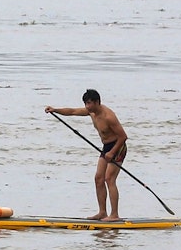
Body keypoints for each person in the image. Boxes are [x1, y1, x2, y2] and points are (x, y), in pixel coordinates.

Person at [46, 90, 128, 221]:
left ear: (97, 102)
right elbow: (72, 111)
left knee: (109, 179)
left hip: (118, 147)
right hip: (106, 147)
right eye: (85, 103)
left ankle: (114, 215)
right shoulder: (91, 112)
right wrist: (55, 110)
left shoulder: (108, 116)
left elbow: (123, 136)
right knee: (98, 178)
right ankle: (102, 212)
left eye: (89, 103)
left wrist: (112, 152)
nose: (87, 106)